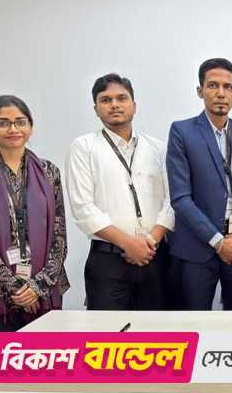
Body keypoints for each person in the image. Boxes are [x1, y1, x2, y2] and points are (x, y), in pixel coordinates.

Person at [0, 95, 68, 331]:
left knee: (46, 355)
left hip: (44, 294)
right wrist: (15, 289)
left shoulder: (49, 172)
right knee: (0, 355)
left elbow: (59, 237)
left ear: (30, 126)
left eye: (20, 122)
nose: (13, 129)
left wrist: (37, 287)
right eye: (2, 123)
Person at [66, 73, 174, 310]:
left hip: (155, 256)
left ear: (134, 106)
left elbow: (172, 200)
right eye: (106, 100)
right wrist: (128, 244)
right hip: (108, 260)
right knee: (109, 331)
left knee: (158, 329)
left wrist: (150, 241)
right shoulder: (83, 147)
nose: (114, 104)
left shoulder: (157, 148)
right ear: (96, 109)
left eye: (121, 98)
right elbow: (83, 208)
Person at [167, 58, 232, 310]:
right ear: (200, 90)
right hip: (197, 248)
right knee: (194, 321)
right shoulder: (182, 131)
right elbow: (181, 198)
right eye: (213, 85)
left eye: (228, 87)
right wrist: (217, 241)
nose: (221, 93)